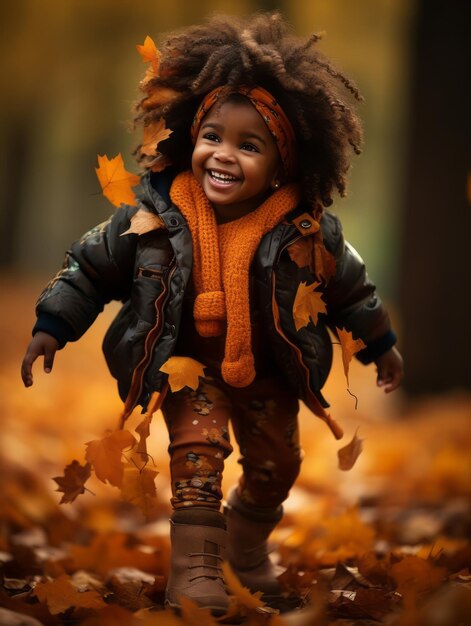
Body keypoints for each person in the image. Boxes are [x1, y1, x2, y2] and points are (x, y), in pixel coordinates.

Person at [21, 12, 403, 615]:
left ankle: (243, 550)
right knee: (196, 456)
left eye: (249, 146)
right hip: (185, 367)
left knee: (278, 467)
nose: (224, 156)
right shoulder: (151, 213)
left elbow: (354, 291)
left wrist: (380, 343)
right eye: (213, 137)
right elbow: (90, 267)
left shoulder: (307, 230)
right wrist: (53, 324)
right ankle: (195, 567)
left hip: (269, 370)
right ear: (192, 137)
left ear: (283, 163)